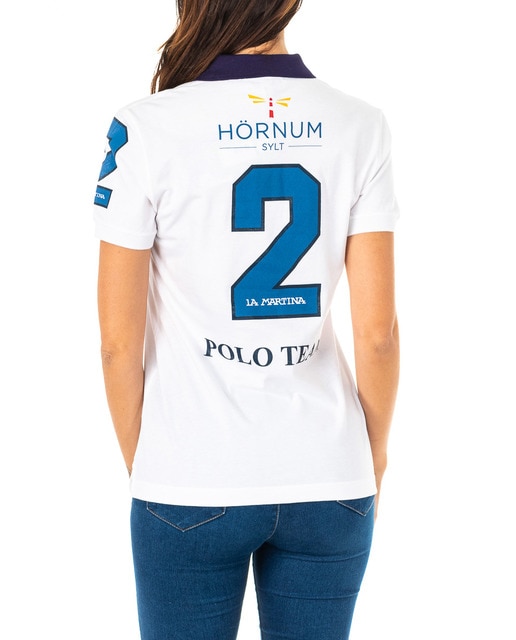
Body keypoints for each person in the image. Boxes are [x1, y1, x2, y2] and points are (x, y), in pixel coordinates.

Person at [94, 1, 400, 638]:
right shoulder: (361, 124)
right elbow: (378, 335)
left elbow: (118, 344)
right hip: (329, 472)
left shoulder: (144, 128)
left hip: (191, 475)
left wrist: (150, 464)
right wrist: (370, 460)